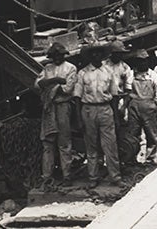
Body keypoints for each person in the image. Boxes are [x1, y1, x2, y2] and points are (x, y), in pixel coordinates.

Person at [74, 43, 122, 185]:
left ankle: (115, 177)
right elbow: (77, 97)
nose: (96, 55)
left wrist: (116, 117)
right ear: (89, 56)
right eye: (93, 53)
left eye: (98, 52)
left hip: (105, 109)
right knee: (91, 146)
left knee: (110, 145)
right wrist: (79, 119)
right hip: (88, 110)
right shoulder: (82, 73)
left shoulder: (109, 72)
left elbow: (114, 95)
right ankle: (93, 177)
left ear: (102, 55)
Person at [35, 43, 77, 186]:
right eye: (54, 56)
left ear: (64, 55)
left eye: (59, 55)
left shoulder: (71, 68)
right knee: (48, 142)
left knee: (64, 142)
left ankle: (67, 175)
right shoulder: (47, 68)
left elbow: (67, 88)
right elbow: (38, 84)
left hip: (62, 106)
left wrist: (50, 86)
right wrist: (56, 81)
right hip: (49, 108)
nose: (57, 58)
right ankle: (46, 176)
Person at [123, 53, 157, 166]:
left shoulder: (153, 75)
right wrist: (124, 107)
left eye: (145, 60)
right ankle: (132, 158)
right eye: (140, 60)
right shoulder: (131, 74)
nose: (143, 63)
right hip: (134, 105)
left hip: (149, 105)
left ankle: (151, 158)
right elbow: (128, 91)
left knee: (151, 133)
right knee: (133, 133)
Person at [105, 40, 134, 170]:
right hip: (106, 100)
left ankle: (122, 158)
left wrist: (124, 106)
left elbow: (128, 89)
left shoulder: (125, 67)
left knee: (121, 127)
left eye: (121, 53)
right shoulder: (104, 66)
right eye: (117, 53)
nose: (120, 56)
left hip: (120, 99)